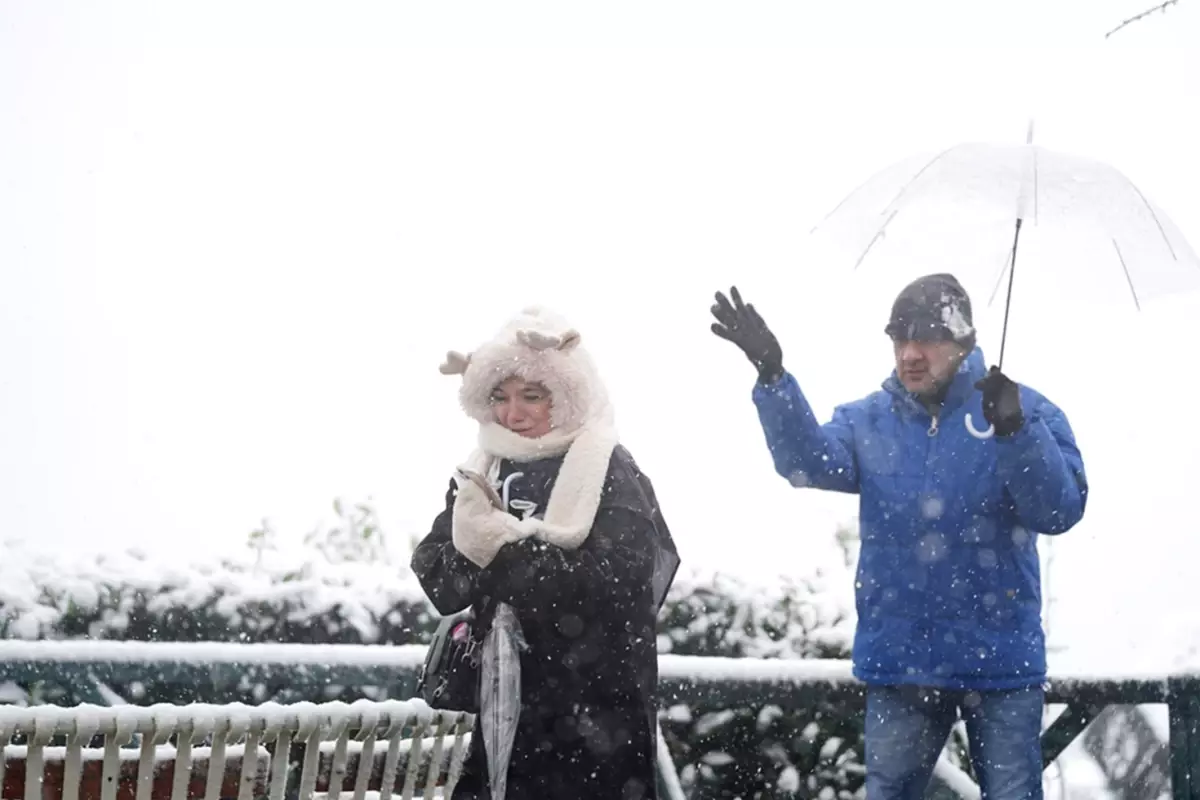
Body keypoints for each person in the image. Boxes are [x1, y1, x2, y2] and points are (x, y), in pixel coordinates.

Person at [710, 274, 1087, 800]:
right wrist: (773, 376)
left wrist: (1016, 432)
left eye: (926, 338)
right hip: (902, 663)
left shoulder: (1025, 412)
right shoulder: (870, 418)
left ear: (963, 342)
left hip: (1000, 665)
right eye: (898, 338)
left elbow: (1060, 510)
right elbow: (804, 462)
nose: (909, 353)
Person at [412, 306, 679, 800]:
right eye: (500, 397)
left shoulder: (609, 467)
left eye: (531, 396)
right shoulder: (483, 471)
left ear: (566, 395)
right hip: (504, 714)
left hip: (596, 719)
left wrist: (503, 553)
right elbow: (439, 578)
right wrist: (486, 552)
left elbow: (621, 579)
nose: (513, 413)